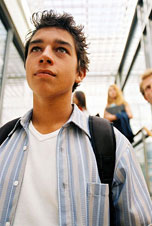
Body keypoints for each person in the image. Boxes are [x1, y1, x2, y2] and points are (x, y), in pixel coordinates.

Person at [0, 10, 152, 226]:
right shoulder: (3, 142)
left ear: (80, 72)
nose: (45, 56)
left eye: (61, 49)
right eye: (36, 49)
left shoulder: (113, 146)